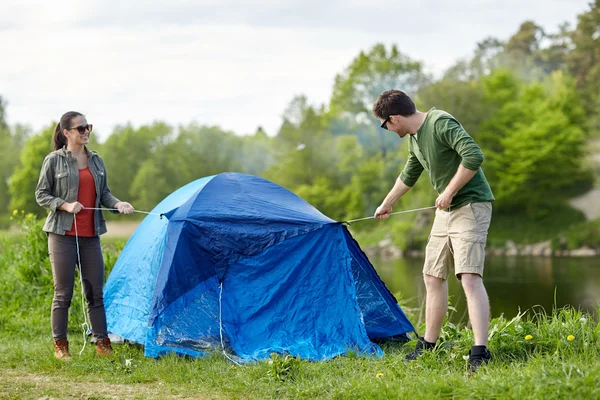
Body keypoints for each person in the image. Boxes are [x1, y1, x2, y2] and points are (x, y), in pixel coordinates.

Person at [372, 90, 495, 372]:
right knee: (431, 274)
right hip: (446, 212)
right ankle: (429, 344)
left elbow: (474, 156)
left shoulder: (440, 123)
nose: (387, 129)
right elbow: (408, 176)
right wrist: (386, 204)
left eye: (385, 124)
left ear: (394, 118)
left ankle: (480, 351)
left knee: (469, 276)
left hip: (471, 206)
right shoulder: (414, 140)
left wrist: (449, 191)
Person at [35, 111, 134, 361]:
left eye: (88, 127)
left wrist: (118, 204)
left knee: (95, 293)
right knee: (63, 293)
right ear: (67, 132)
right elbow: (41, 194)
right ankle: (61, 347)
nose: (86, 131)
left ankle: (103, 344)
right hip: (62, 235)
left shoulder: (97, 161)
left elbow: (105, 195)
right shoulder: (53, 161)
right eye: (80, 128)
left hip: (91, 236)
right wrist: (65, 205)